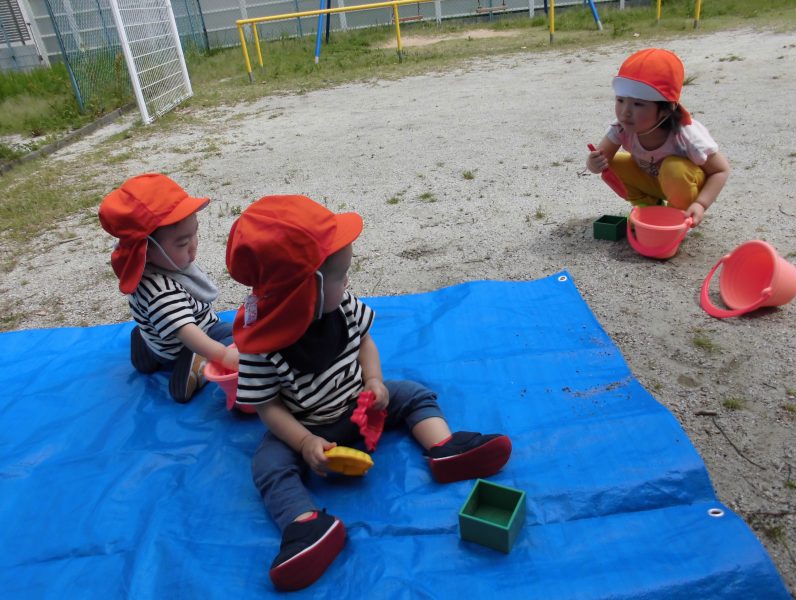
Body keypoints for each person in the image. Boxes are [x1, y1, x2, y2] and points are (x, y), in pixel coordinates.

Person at [225, 194, 512, 592]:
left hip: (359, 403)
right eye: (341, 274)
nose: (348, 282)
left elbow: (365, 343)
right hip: (306, 429)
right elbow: (267, 406)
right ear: (304, 289)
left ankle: (444, 449)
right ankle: (306, 526)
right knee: (268, 464)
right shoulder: (259, 343)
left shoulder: (341, 304)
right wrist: (305, 440)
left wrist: (375, 382)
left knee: (410, 393)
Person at [98, 173, 239, 403]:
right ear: (147, 250)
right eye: (183, 242)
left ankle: (147, 349)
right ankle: (192, 366)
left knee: (158, 336)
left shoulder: (161, 262)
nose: (193, 245)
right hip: (187, 343)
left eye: (195, 233)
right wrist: (223, 355)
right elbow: (188, 331)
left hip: (160, 343)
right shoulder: (161, 292)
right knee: (239, 338)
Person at [586, 48, 730, 226]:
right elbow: (601, 161)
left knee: (674, 168)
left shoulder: (687, 135)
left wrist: (700, 204)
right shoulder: (621, 128)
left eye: (638, 104)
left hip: (684, 184)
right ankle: (648, 207)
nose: (625, 112)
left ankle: (676, 216)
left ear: (666, 109)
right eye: (620, 100)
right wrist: (593, 164)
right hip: (655, 181)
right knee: (613, 164)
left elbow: (720, 170)